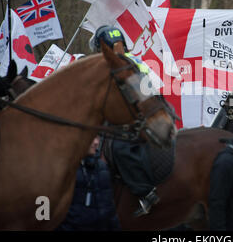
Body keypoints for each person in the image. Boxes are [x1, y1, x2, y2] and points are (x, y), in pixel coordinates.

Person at [89, 25, 160, 217]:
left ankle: (146, 193)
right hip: (126, 115)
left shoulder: (130, 66)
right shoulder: (111, 66)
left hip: (142, 118)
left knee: (120, 147)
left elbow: (139, 99)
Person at [57, 135, 121, 231]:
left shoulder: (102, 167)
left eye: (97, 138)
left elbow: (109, 208)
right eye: (92, 138)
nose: (96, 142)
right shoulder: (64, 169)